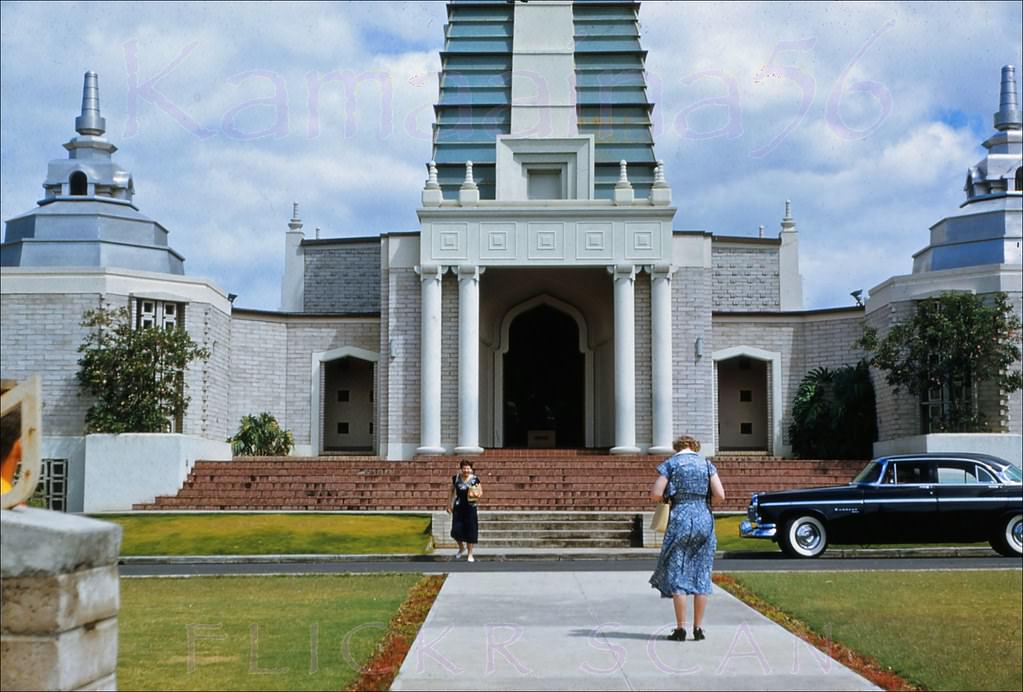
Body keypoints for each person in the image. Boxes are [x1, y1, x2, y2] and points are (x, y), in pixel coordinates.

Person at [649, 435, 725, 642]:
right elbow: (720, 495)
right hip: (703, 518)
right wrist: (703, 500)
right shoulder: (707, 464)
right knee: (702, 572)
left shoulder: (671, 463)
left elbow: (655, 493)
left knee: (678, 573)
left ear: (676, 448)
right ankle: (698, 628)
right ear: (695, 447)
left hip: (680, 518)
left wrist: (670, 498)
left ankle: (680, 629)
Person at [446, 459, 481, 562]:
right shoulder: (456, 478)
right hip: (458, 507)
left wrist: (474, 493)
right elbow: (451, 491)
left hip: (470, 507)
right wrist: (449, 504)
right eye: (464, 468)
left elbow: (480, 492)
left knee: (470, 530)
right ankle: (461, 547)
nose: (466, 470)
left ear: (471, 469)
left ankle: (470, 554)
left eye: (468, 468)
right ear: (461, 469)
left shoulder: (474, 479)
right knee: (455, 530)